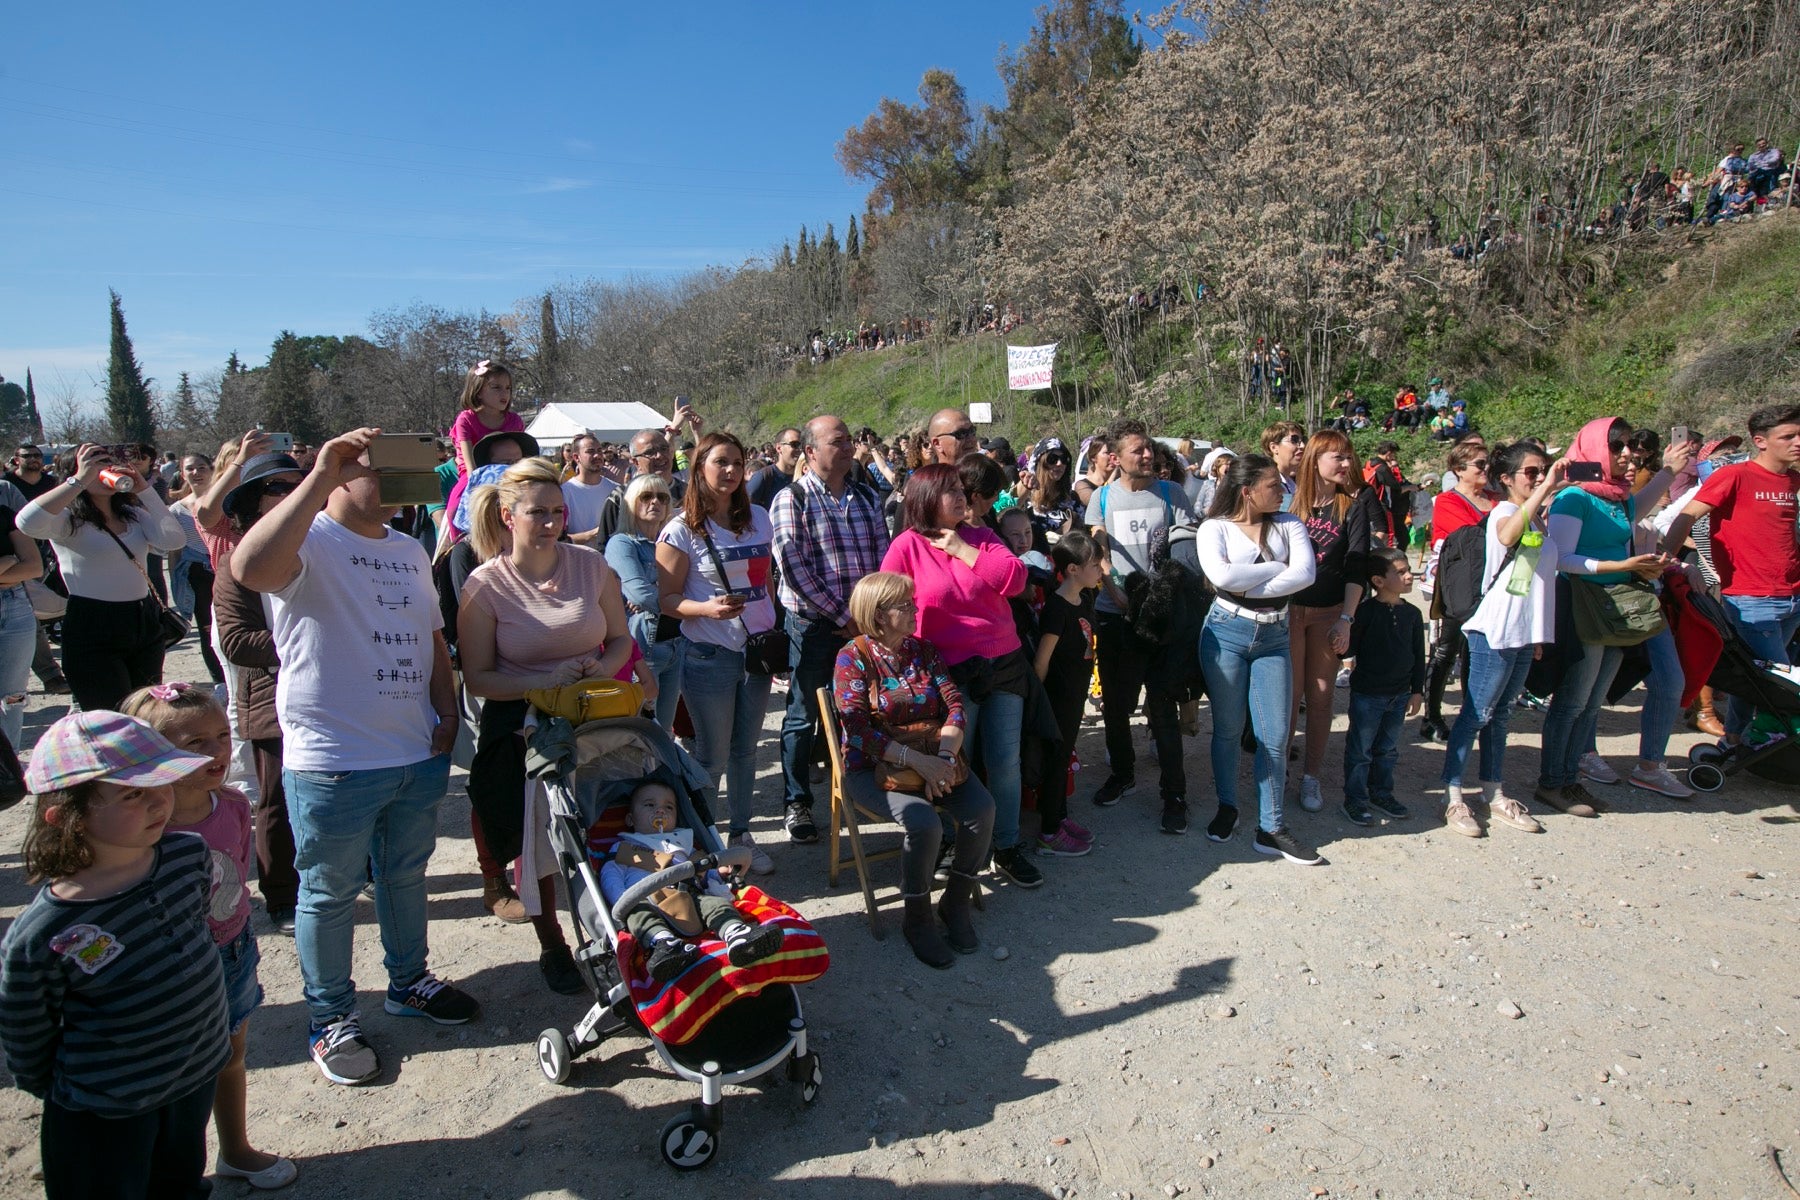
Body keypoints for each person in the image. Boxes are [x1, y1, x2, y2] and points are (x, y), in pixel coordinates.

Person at [232, 427, 474, 1087]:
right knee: (330, 891)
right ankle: (330, 1016)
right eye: (382, 473)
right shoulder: (307, 538)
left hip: (413, 747)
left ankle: (408, 981)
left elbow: (430, 634)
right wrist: (319, 475)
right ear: (340, 473)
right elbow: (249, 569)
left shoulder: (406, 548)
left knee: (402, 876)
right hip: (333, 756)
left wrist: (446, 712)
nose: (398, 491)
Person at [0, 710, 227, 1200]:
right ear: (64, 817)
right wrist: (83, 1089)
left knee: (179, 1181)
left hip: (193, 1076)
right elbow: (27, 1036)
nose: (158, 802)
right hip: (107, 1109)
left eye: (161, 783)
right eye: (132, 793)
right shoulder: (46, 933)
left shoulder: (187, 855)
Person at [458, 458, 640, 993]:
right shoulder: (484, 585)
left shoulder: (591, 565)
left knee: (610, 820)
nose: (551, 522)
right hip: (523, 728)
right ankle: (552, 941)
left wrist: (599, 670)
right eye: (538, 512)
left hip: (595, 713)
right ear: (508, 516)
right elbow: (479, 678)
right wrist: (546, 687)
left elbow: (621, 639)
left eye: (558, 512)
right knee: (540, 839)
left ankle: (622, 923)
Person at [119, 684, 297, 1190]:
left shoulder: (234, 806)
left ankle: (235, 1150)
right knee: (177, 1076)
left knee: (230, 1055)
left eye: (222, 736)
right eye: (193, 743)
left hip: (233, 950)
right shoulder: (142, 828)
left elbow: (237, 879)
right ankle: (171, 1174)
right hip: (172, 970)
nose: (217, 751)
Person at [881, 463, 1039, 886]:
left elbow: (1016, 579)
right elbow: (886, 604)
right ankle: (955, 843)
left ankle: (1006, 846)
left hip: (1002, 664)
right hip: (946, 673)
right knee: (952, 763)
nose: (961, 497)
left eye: (960, 490)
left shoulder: (983, 537)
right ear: (925, 498)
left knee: (1006, 762)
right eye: (949, 490)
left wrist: (962, 550)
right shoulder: (906, 547)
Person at [831, 572, 994, 968]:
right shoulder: (852, 657)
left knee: (981, 810)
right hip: (873, 770)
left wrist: (945, 760)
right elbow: (858, 731)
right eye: (905, 605)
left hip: (936, 758)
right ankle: (917, 917)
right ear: (879, 614)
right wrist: (921, 763)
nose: (915, 609)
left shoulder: (923, 650)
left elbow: (954, 704)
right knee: (925, 825)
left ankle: (954, 903)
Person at [657, 432, 781, 875]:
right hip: (708, 653)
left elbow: (765, 580)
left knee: (746, 750)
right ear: (699, 469)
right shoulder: (680, 530)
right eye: (720, 462)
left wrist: (770, 627)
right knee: (712, 754)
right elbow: (666, 598)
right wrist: (706, 608)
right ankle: (707, 841)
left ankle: (742, 835)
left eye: (736, 462)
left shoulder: (760, 519)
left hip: (756, 654)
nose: (730, 471)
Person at [1534, 418, 1669, 819]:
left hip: (1617, 606)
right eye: (1616, 446)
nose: (1627, 452)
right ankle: (1552, 783)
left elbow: (1639, 511)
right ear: (1594, 449)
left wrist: (1642, 566)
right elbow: (1561, 557)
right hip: (1585, 605)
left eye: (1628, 445)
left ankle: (1570, 777)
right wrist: (1622, 563)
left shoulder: (1619, 497)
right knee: (1573, 701)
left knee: (1593, 704)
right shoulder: (1574, 498)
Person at [1196, 453, 1321, 865]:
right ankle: (1227, 806)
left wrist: (1249, 580)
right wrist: (1276, 567)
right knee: (1229, 729)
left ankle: (1272, 826)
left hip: (1275, 636)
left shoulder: (1289, 524)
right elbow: (1222, 578)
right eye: (1273, 485)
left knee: (1275, 734)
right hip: (1225, 633)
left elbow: (1305, 576)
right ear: (1247, 492)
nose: (1282, 491)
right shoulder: (1214, 528)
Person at [770, 416, 889, 846]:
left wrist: (868, 615)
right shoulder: (792, 499)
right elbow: (794, 568)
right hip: (815, 626)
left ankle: (855, 792)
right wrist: (844, 616)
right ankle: (797, 802)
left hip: (860, 626)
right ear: (810, 452)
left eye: (848, 439)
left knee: (856, 711)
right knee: (803, 716)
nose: (846, 447)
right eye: (836, 441)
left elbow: (882, 558)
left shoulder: (866, 497)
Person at [1439, 442, 1565, 837]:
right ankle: (1453, 796)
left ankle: (1493, 792)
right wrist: (1544, 492)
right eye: (1531, 472)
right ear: (1506, 479)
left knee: (1502, 715)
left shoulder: (1539, 519)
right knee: (1476, 714)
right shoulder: (1506, 511)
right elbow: (1509, 537)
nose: (1540, 477)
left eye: (1543, 470)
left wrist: (1538, 633)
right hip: (1494, 631)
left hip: (1524, 633)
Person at [1660, 403, 1800, 746]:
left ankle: (1735, 740)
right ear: (1761, 441)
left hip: (1792, 596)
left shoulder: (1793, 480)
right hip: (1752, 598)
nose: (1798, 442)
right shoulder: (1734, 476)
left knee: (1758, 678)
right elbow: (1685, 517)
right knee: (1782, 685)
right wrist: (1669, 561)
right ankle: (1771, 748)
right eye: (1789, 436)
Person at [1083, 420, 1198, 833]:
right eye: (1138, 450)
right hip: (1116, 616)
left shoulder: (1172, 493)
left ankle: (1174, 794)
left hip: (1162, 619)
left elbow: (1186, 551)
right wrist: (1112, 585)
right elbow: (1097, 542)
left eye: (1149, 449)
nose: (1148, 455)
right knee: (1117, 705)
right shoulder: (1102, 497)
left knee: (1163, 707)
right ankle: (1123, 774)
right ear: (1116, 458)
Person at [213, 452, 308, 933]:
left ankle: (363, 871)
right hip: (273, 694)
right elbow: (235, 641)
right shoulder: (236, 562)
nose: (291, 494)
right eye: (277, 487)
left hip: (336, 691)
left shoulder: (325, 549)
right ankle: (282, 896)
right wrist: (310, 644)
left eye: (298, 484)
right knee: (278, 799)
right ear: (252, 501)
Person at [19, 443, 187, 712]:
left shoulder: (132, 515)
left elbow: (173, 539)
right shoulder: (67, 520)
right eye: (95, 463)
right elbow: (27, 521)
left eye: (107, 463)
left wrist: (143, 488)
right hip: (92, 622)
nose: (103, 470)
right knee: (108, 714)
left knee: (144, 711)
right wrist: (79, 480)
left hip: (142, 619)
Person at [600, 780, 783, 982]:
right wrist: (622, 901)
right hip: (644, 897)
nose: (660, 811)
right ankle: (663, 944)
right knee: (639, 914)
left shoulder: (682, 845)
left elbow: (702, 866)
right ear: (630, 819)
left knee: (715, 904)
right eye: (650, 805)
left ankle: (736, 934)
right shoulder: (625, 846)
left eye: (668, 807)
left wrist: (717, 873)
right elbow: (610, 874)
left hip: (688, 895)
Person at [1287, 430, 1382, 812]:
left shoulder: (1353, 505)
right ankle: (1279, 772)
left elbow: (1357, 564)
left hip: (1328, 611)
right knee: (1289, 698)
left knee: (1322, 695)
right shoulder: (1292, 499)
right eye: (1337, 457)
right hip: (1290, 610)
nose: (1347, 464)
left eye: (1348, 456)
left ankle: (1311, 777)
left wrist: (1346, 619)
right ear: (1315, 460)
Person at [1340, 548, 1425, 827]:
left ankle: (1381, 794)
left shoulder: (1412, 614)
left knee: (1388, 749)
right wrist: (1338, 641)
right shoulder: (1364, 612)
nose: (1409, 575)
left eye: (1408, 569)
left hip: (1399, 696)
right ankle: (1355, 799)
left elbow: (1417, 654)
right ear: (1378, 580)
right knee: (1360, 750)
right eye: (1400, 572)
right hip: (1368, 695)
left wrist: (1417, 690)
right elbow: (1348, 650)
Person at [1419, 440, 1495, 741]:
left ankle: (1470, 716)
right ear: (1458, 470)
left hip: (1491, 586)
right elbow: (1477, 536)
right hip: (1459, 587)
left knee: (1476, 653)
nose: (1486, 468)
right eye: (1479, 464)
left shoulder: (1494, 498)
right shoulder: (1448, 501)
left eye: (1487, 462)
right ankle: (1432, 717)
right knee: (1447, 650)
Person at [1031, 532, 1102, 856]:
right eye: (1095, 564)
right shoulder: (1057, 609)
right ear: (1073, 569)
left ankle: (1059, 817)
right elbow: (1042, 661)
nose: (1101, 569)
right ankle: (1048, 832)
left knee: (1064, 757)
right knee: (1055, 762)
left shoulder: (1084, 599)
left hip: (1075, 696)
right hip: (1057, 699)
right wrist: (1037, 704)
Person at [606, 473, 686, 730]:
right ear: (631, 502)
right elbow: (640, 594)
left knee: (665, 729)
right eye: (646, 496)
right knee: (642, 730)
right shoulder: (621, 543)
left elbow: (690, 587)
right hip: (643, 645)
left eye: (662, 497)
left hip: (674, 641)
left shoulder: (670, 542)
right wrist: (675, 599)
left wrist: (659, 593)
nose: (655, 502)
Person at [442, 360, 525, 538]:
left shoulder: (515, 420)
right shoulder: (466, 419)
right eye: (496, 388)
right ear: (478, 391)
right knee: (454, 506)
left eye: (508, 388)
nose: (505, 393)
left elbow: (523, 458)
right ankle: (457, 542)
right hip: (474, 475)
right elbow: (469, 463)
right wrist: (478, 484)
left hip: (510, 474)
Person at [168, 452, 226, 684]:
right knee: (207, 629)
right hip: (196, 572)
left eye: (201, 468)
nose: (196, 473)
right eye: (190, 469)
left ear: (211, 470)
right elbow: (174, 552)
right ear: (182, 474)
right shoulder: (176, 511)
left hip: (224, 567)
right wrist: (175, 582)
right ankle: (219, 681)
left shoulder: (225, 501)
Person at [594, 427, 688, 547]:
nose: (659, 455)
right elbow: (604, 546)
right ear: (635, 462)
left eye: (664, 449)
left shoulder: (689, 494)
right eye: (650, 452)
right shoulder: (620, 498)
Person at [0, 498, 42, 748]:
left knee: (12, 697)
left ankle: (7, 773)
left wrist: (12, 564)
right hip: (10, 591)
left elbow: (34, 566)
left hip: (13, 608)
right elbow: (18, 562)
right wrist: (7, 562)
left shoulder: (4, 514)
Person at [561, 433, 619, 545]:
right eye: (590, 451)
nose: (597, 456)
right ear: (576, 457)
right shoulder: (565, 492)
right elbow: (559, 539)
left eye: (599, 451)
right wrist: (593, 534)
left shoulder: (616, 490)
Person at [748, 427, 803, 509]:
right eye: (794, 445)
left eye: (802, 445)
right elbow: (744, 510)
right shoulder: (763, 477)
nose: (800, 449)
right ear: (779, 448)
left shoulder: (805, 477)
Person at [1261, 420, 1306, 506]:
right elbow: (1280, 515)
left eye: (1303, 440)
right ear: (1274, 448)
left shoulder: (1295, 482)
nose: (1302, 445)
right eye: (1294, 440)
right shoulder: (1266, 483)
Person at [1072, 435, 1116, 509]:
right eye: (1107, 453)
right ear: (1093, 458)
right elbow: (1099, 505)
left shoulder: (1121, 484)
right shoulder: (1082, 485)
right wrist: (1115, 470)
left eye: (1115, 452)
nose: (1112, 457)